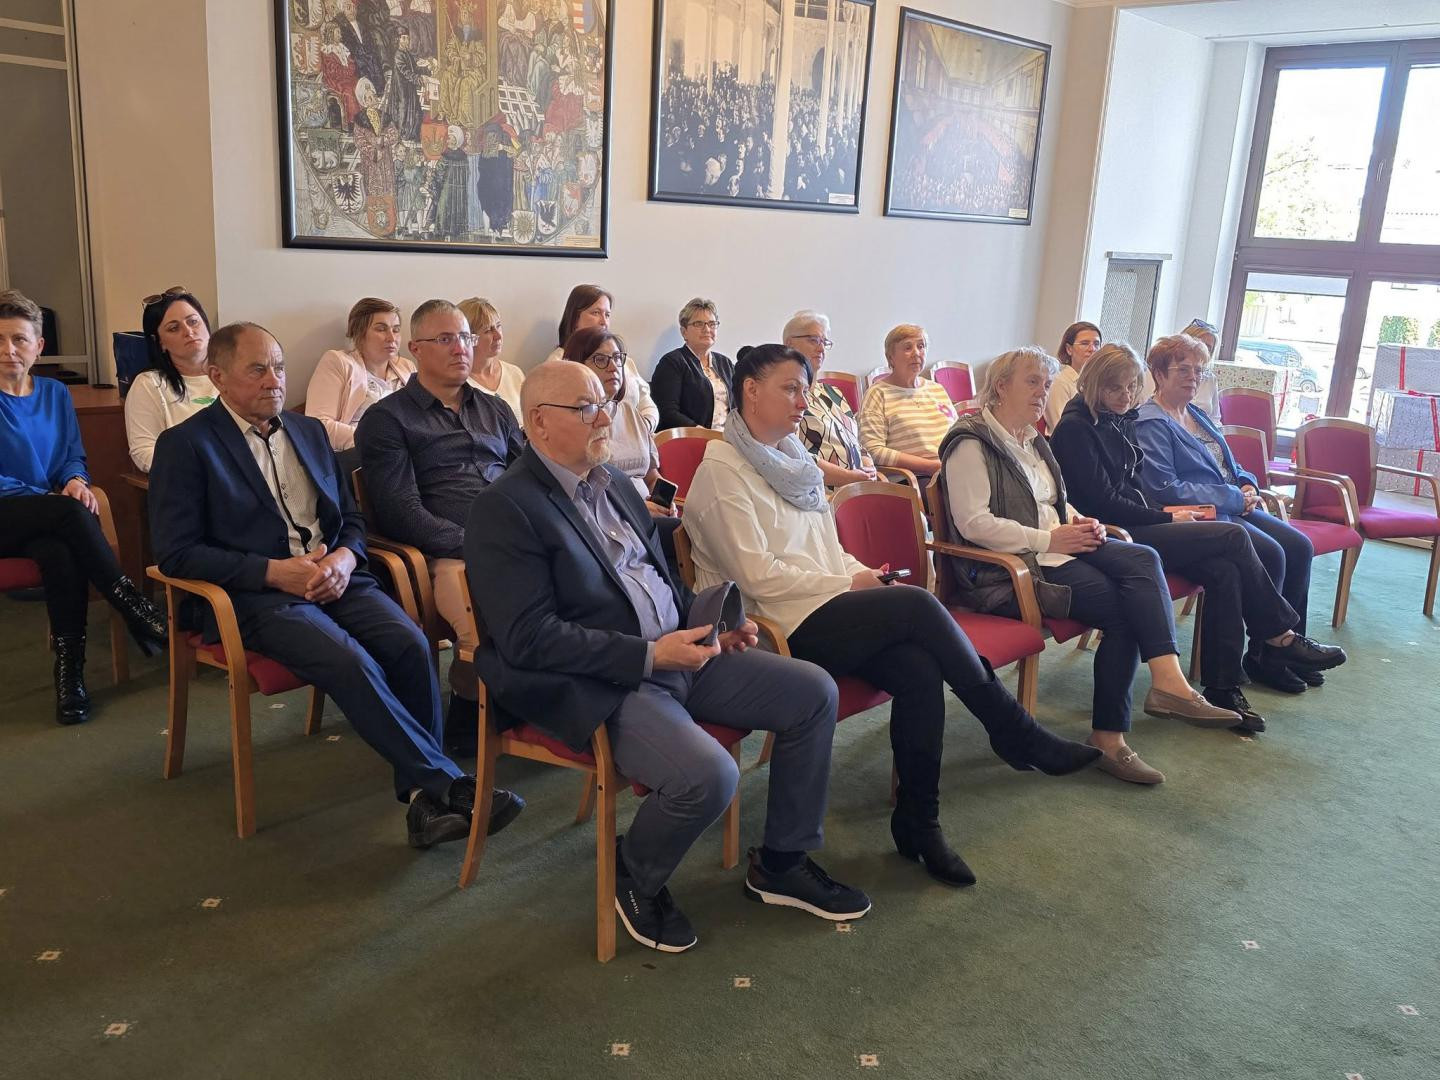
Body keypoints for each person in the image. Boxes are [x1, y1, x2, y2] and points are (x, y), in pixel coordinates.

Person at [465, 360, 871, 954]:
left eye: (605, 403)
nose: (604, 418)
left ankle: (782, 863)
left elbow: (658, 581)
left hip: (680, 653)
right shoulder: (506, 508)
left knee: (813, 692)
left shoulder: (614, 483)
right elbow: (527, 637)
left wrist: (712, 626)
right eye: (586, 408)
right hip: (605, 681)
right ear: (539, 423)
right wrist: (650, 654)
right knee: (709, 777)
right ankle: (633, 871)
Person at [684, 344, 1100, 886]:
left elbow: (828, 550)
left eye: (804, 389)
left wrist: (861, 573)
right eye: (790, 389)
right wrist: (848, 582)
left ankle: (919, 823)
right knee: (918, 604)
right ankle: (1013, 730)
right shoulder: (722, 473)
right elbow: (756, 578)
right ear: (750, 391)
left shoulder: (791, 458)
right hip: (770, 629)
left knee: (919, 669)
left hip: (821, 607)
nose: (802, 401)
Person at [148, 321, 523, 847]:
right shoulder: (187, 445)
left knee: (411, 645)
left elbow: (350, 518)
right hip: (258, 595)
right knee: (350, 660)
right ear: (218, 376)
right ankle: (450, 785)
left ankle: (424, 800)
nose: (274, 380)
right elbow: (176, 551)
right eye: (257, 370)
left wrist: (346, 559)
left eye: (279, 367)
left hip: (337, 577)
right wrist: (274, 572)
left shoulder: (308, 432)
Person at [937, 346, 1242, 786]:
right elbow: (973, 523)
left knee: (1144, 557)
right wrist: (1050, 538)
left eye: (1046, 384)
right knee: (1124, 610)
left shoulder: (1031, 439)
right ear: (1000, 386)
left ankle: (1167, 683)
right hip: (1015, 566)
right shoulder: (972, 442)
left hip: (1058, 547)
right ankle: (1111, 738)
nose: (1042, 392)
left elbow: (1053, 502)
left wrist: (1081, 519)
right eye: (1032, 382)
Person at [1049, 344, 1346, 731]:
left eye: (1131, 387)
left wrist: (1224, 491)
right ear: (1093, 384)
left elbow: (1140, 484)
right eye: (1116, 388)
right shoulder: (1077, 428)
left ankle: (1223, 686)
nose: (1126, 396)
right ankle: (1278, 636)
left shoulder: (1115, 416)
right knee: (1234, 538)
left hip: (1142, 519)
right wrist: (1167, 516)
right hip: (1117, 532)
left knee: (1226, 569)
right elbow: (1106, 503)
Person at [355, 299, 525, 742]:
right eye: (446, 339)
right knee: (480, 590)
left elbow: (531, 478)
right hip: (442, 551)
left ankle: (543, 694)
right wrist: (476, 544)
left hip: (514, 537)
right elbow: (402, 513)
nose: (461, 348)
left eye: (465, 337)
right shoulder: (387, 420)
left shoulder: (495, 410)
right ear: (414, 349)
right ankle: (472, 709)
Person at [0, 289, 167, 724]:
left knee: (59, 552)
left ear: (39, 346)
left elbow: (72, 455)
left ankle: (69, 674)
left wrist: (75, 480)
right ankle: (134, 607)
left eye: (19, 339)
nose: (8, 350)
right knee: (70, 514)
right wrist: (49, 499)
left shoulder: (55, 393)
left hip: (43, 517)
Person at [1136, 334, 1325, 694]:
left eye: (1199, 370)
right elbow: (1164, 488)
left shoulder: (1195, 414)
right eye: (1183, 370)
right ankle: (1268, 652)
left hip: (1234, 501)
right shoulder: (1151, 422)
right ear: (1158, 374)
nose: (1193, 377)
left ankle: (1282, 657)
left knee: (1299, 546)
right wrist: (1233, 497)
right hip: (1205, 512)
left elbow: (1227, 462)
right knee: (1272, 552)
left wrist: (1247, 482)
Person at [560, 326, 670, 514]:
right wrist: (638, 511)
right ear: (578, 366)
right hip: (607, 517)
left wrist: (664, 501)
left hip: (647, 515)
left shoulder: (630, 413)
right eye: (601, 359)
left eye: (617, 358)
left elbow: (651, 477)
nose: (613, 367)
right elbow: (581, 493)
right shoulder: (574, 419)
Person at [304, 297, 416, 452]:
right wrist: (379, 440)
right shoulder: (338, 362)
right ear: (360, 333)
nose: (392, 338)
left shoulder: (407, 366)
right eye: (381, 329)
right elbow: (318, 426)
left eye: (396, 330)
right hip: (360, 454)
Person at [125, 288, 218, 472]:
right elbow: (143, 452)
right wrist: (199, 469)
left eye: (193, 321)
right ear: (160, 343)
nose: (188, 331)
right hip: (188, 480)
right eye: (174, 328)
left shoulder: (234, 374)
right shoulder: (149, 384)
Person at [783, 310, 877, 488]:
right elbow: (793, 455)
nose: (821, 349)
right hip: (819, 492)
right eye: (813, 340)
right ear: (790, 344)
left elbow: (856, 442)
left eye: (824, 342)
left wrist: (868, 466)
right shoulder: (785, 396)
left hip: (858, 487)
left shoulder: (833, 393)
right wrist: (849, 477)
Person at [545, 284, 657, 429]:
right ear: (575, 320)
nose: (604, 322)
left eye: (607, 315)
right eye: (596, 313)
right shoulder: (558, 363)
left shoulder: (624, 360)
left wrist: (645, 426)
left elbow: (647, 404)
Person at [858, 324, 957, 479]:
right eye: (907, 348)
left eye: (921, 346)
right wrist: (931, 466)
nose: (916, 353)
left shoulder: (936, 389)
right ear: (890, 357)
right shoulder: (878, 394)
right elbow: (873, 449)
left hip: (953, 468)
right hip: (915, 478)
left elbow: (958, 433)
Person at [651, 298, 734, 431]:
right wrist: (700, 431)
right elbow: (667, 412)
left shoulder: (726, 363)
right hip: (691, 437)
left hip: (727, 437)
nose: (707, 329)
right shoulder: (672, 362)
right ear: (684, 332)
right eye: (699, 324)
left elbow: (737, 407)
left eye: (712, 324)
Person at [457, 296, 524, 419]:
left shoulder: (515, 373)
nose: (498, 336)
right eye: (488, 330)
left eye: (498, 326)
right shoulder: (458, 385)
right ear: (468, 338)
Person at [1043, 321, 1101, 433]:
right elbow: (1062, 428)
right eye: (1085, 343)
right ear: (1069, 349)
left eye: (1096, 344)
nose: (1092, 349)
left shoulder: (1097, 384)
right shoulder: (1059, 382)